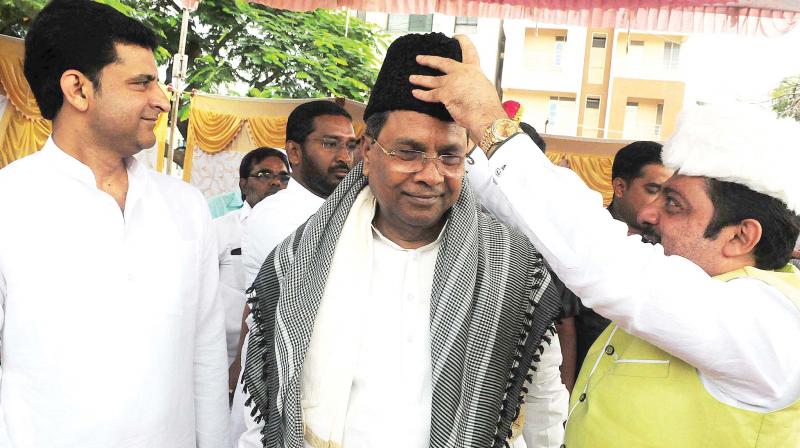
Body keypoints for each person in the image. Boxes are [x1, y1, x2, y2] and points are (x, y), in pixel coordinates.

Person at [411, 35, 800, 447]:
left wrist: (489, 120)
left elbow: (602, 257)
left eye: (675, 204)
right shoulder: (705, 295)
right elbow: (572, 221)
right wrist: (466, 151)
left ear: (741, 236)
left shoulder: (770, 325)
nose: (650, 215)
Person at [238, 32, 568, 448]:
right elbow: (269, 411)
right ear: (368, 150)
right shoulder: (297, 262)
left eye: (449, 156)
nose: (431, 175)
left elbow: (543, 405)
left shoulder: (512, 268)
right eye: (409, 152)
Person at [0, 1, 229, 447]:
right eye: (141, 83)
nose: (162, 101)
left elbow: (206, 355)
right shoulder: (9, 201)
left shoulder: (186, 207)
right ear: (78, 90)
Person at [571, 141, 673, 375]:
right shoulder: (584, 239)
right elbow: (564, 327)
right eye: (653, 190)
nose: (659, 205)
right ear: (619, 187)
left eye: (668, 195)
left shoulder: (671, 248)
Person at [241, 100, 357, 286]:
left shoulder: (355, 208)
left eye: (350, 146)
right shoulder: (273, 215)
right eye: (330, 144)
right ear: (294, 152)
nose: (344, 157)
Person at [215, 148, 289, 372]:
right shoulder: (221, 230)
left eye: (284, 177)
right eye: (264, 175)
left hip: (276, 356)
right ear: (243, 184)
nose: (276, 182)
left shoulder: (299, 231)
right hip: (223, 355)